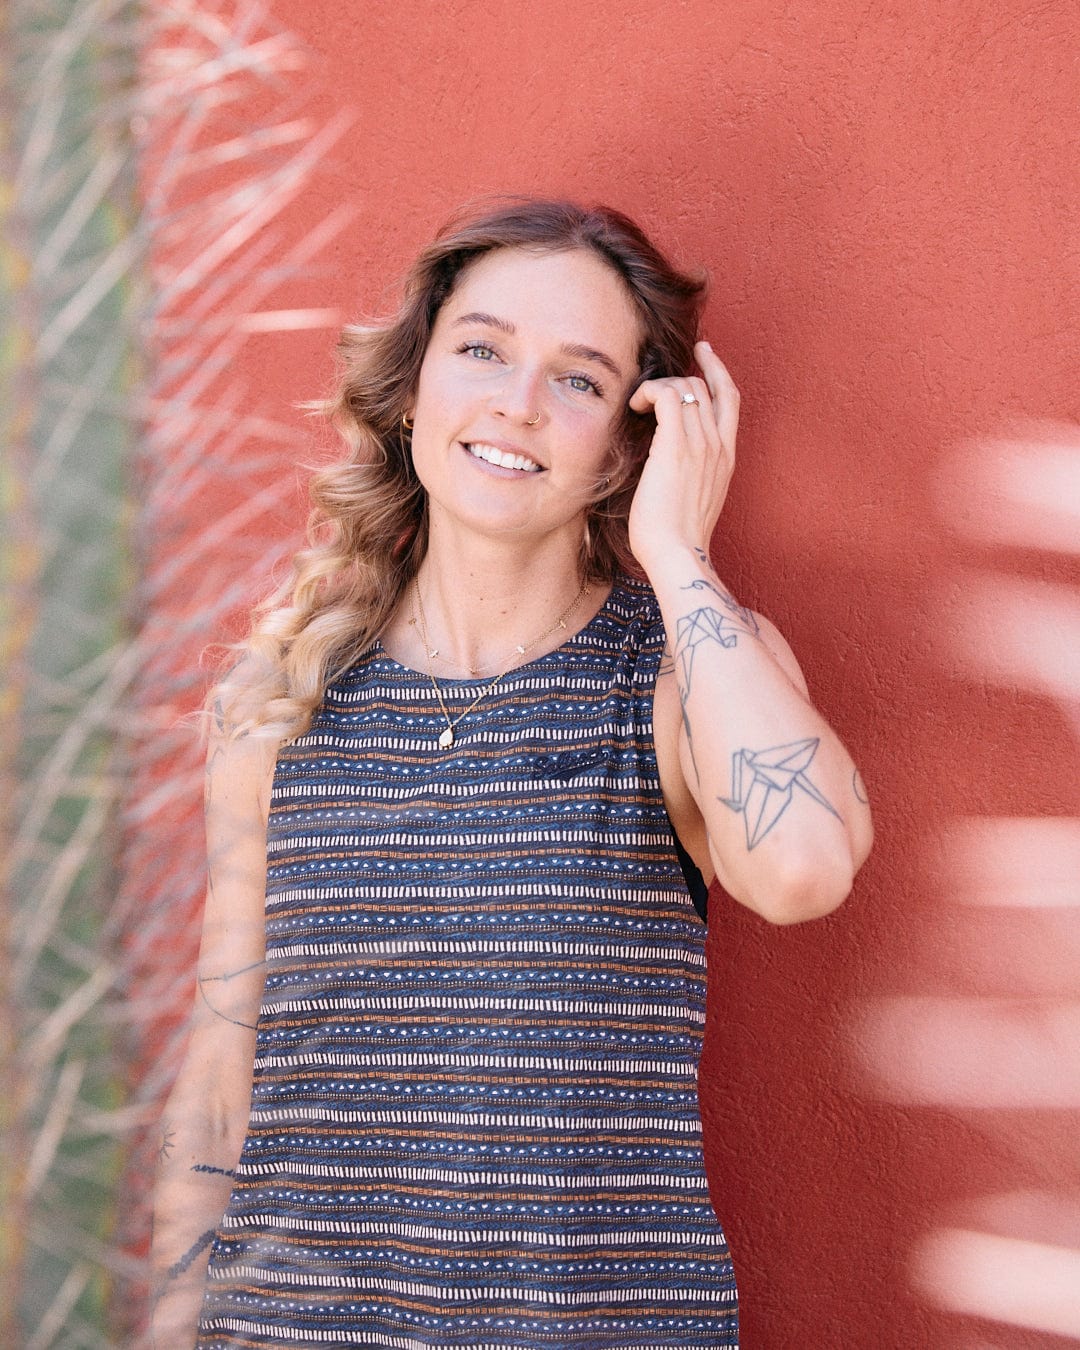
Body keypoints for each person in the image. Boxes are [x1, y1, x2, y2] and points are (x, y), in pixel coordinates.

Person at [150, 198, 873, 1349]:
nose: (517, 403)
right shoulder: (277, 701)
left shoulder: (684, 672)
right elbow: (223, 1072)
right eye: (481, 349)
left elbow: (800, 870)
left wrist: (679, 555)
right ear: (414, 386)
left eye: (579, 380)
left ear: (627, 447)